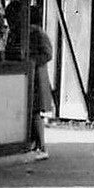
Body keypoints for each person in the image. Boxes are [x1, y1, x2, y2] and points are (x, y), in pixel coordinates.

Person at [28, 19, 54, 157]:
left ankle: (41, 146)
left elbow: (47, 54)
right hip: (34, 74)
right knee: (34, 112)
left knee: (35, 111)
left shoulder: (37, 34)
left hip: (37, 76)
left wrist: (31, 61)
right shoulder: (35, 33)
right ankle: (36, 144)